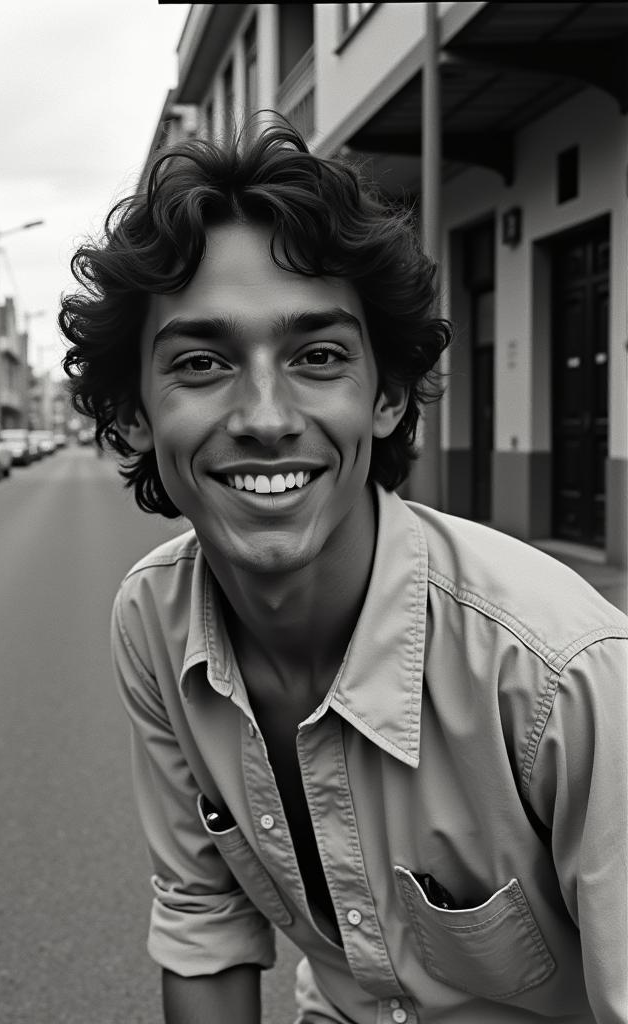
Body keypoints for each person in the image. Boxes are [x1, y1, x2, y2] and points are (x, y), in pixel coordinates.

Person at [59, 116, 627, 1023]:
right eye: (202, 362)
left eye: (317, 356)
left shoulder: (563, 674)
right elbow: (205, 916)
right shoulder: (154, 622)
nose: (266, 415)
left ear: (388, 396)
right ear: (131, 414)